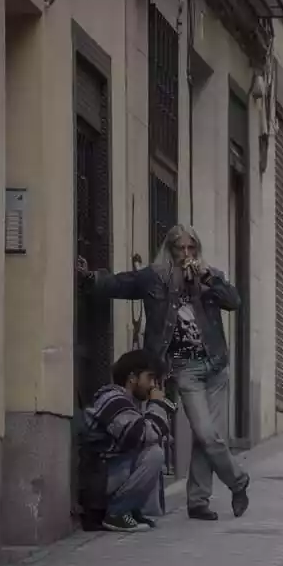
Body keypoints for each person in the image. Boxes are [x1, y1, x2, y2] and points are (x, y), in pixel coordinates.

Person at [78, 224, 250, 522]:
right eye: (179, 249)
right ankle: (238, 482)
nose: (186, 255)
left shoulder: (211, 276)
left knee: (206, 437)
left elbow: (234, 302)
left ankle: (198, 501)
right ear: (169, 251)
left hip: (216, 366)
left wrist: (208, 279)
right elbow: (121, 284)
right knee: (208, 434)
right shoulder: (155, 278)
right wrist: (90, 278)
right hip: (185, 369)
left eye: (191, 248)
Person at [81, 350, 174, 532]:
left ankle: (129, 510)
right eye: (150, 378)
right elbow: (140, 435)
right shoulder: (112, 399)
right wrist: (156, 405)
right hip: (99, 477)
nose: (152, 385)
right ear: (132, 377)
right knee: (154, 454)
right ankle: (117, 513)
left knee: (153, 449)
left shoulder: (127, 401)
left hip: (110, 472)